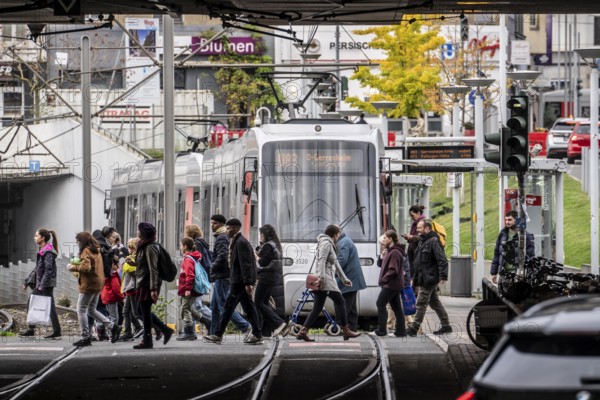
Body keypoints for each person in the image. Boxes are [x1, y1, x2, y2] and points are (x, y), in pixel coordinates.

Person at [296, 225, 361, 342]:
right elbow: (322, 261)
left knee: (317, 308)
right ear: (334, 234)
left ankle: (303, 331)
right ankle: (346, 330)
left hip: (325, 279)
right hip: (325, 280)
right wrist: (321, 279)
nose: (338, 237)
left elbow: (336, 263)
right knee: (341, 301)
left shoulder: (327, 243)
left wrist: (344, 279)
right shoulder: (326, 243)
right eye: (338, 234)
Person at [204, 218, 263, 345]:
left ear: (235, 229)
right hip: (238, 281)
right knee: (248, 308)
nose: (227, 231)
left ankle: (218, 334)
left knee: (228, 308)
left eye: (229, 228)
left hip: (239, 282)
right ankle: (257, 333)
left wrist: (248, 283)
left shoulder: (241, 242)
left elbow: (246, 264)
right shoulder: (237, 241)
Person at [68, 231, 121, 347]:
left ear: (82, 241)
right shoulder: (96, 250)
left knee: (81, 309)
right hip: (98, 283)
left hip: (89, 284)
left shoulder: (86, 251)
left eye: (78, 241)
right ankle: (113, 326)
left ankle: (85, 337)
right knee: (91, 309)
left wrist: (73, 267)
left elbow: (86, 267)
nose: (77, 243)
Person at [132, 222, 174, 349]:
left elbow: (153, 269)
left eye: (139, 230)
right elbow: (144, 265)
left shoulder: (151, 247)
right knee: (140, 310)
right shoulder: (143, 245)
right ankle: (164, 329)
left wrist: (153, 289)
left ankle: (148, 340)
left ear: (143, 233)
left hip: (147, 283)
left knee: (144, 311)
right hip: (143, 282)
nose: (137, 232)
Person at [406, 219, 451, 336]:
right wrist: (414, 277)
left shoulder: (434, 241)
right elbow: (418, 262)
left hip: (429, 278)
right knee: (435, 302)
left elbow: (442, 260)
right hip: (424, 277)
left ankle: (414, 328)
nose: (417, 230)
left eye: (420, 228)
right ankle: (446, 326)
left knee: (420, 303)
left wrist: (443, 276)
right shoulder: (423, 241)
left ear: (427, 228)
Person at [207, 214, 250, 336]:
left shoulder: (221, 238)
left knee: (225, 304)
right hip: (222, 275)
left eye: (214, 223)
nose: (212, 226)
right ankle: (214, 332)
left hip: (222, 275)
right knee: (214, 306)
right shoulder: (223, 237)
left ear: (221, 224)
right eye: (212, 223)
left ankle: (245, 326)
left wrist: (212, 267)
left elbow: (222, 256)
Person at [19, 228, 62, 339]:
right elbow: (37, 269)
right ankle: (56, 330)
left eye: (36, 235)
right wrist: (27, 282)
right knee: (50, 306)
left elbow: (48, 270)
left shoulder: (48, 252)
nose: (34, 237)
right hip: (43, 284)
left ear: (42, 238)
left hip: (45, 284)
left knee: (31, 303)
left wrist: (42, 285)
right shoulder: (43, 250)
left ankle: (31, 329)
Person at [254, 224, 288, 337]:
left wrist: (256, 256)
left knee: (258, 302)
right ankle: (268, 331)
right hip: (272, 278)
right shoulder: (275, 245)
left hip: (265, 277)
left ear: (266, 235)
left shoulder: (268, 246)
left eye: (261, 234)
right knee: (265, 303)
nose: (260, 236)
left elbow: (262, 262)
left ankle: (279, 324)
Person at [371, 230, 406, 337]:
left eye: (385, 237)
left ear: (390, 239)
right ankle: (401, 331)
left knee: (380, 303)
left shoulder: (395, 252)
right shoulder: (390, 251)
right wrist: (382, 255)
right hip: (394, 284)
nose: (383, 239)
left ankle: (382, 330)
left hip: (391, 284)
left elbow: (393, 270)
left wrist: (383, 280)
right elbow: (380, 264)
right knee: (397, 308)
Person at [491, 210, 536, 284]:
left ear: (517, 220)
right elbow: (496, 254)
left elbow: (530, 256)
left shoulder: (526, 236)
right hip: (504, 274)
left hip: (518, 275)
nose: (507, 222)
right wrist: (494, 273)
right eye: (506, 220)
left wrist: (528, 274)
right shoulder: (502, 234)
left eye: (510, 220)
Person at [335, 228, 366, 332]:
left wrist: (332, 271)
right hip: (352, 277)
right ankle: (352, 326)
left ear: (337, 233)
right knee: (351, 305)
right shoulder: (345, 241)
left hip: (348, 278)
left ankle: (340, 326)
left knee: (343, 303)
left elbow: (341, 260)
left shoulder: (343, 243)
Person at [176, 237, 206, 341]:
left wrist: (187, 288)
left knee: (185, 309)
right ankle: (206, 321)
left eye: (181, 245)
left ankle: (189, 331)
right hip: (188, 288)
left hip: (188, 289)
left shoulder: (188, 259)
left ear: (185, 246)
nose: (180, 247)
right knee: (189, 308)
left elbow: (190, 275)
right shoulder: (191, 258)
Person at [118, 238, 143, 341]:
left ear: (133, 249)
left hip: (133, 288)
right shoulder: (131, 258)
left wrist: (126, 264)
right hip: (129, 288)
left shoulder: (135, 258)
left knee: (136, 312)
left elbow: (128, 268)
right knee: (126, 311)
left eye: (129, 247)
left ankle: (156, 326)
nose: (128, 249)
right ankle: (128, 331)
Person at [401, 205, 427, 283]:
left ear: (418, 213)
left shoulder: (423, 222)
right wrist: (409, 238)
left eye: (412, 215)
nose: (411, 218)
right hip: (414, 251)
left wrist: (411, 237)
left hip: (419, 253)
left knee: (416, 274)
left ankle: (416, 293)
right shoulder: (416, 222)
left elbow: (423, 237)